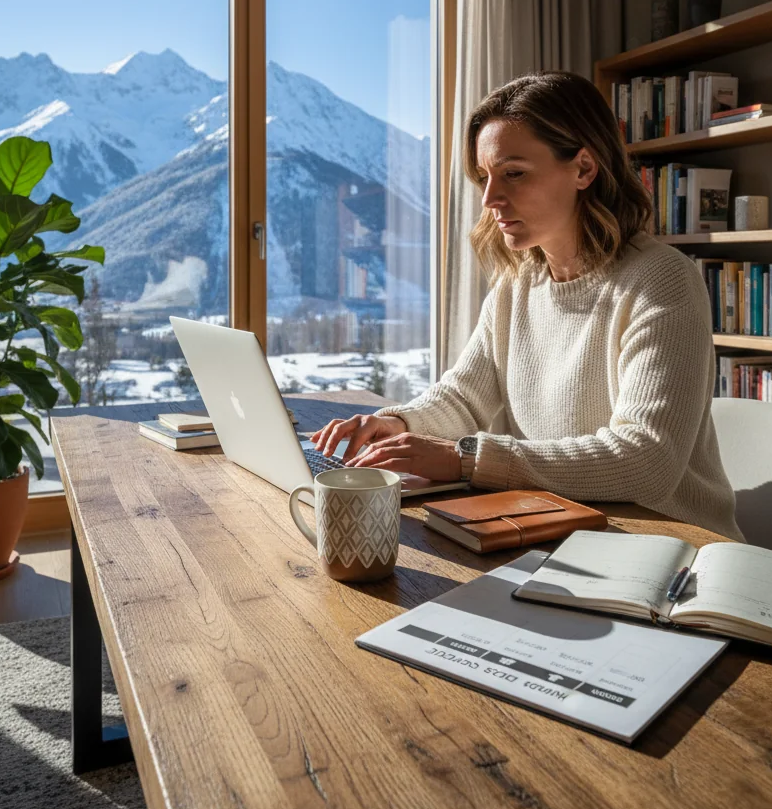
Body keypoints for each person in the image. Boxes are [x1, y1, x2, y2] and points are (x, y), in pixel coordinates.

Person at [311, 71, 742, 540]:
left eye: (513, 173)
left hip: (673, 548)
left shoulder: (662, 282)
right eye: (484, 177)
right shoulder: (518, 283)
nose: (491, 199)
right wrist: (397, 424)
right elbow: (464, 397)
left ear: (583, 168)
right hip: (559, 528)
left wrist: (465, 459)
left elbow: (646, 462)